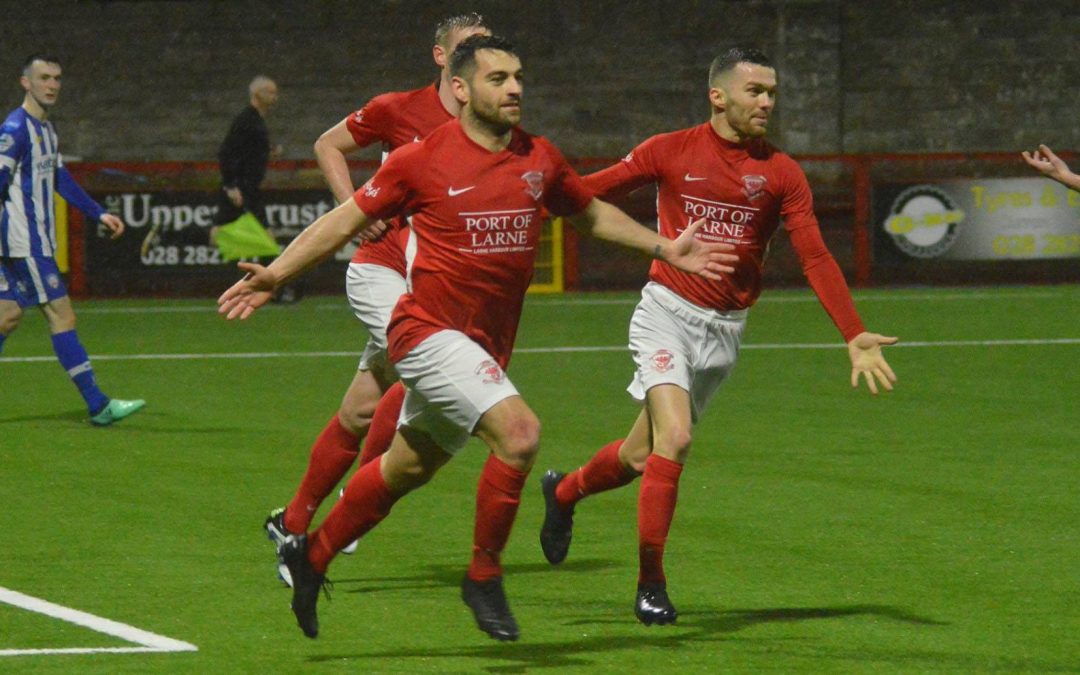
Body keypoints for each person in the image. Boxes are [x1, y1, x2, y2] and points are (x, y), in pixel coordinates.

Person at [218, 35, 738, 642]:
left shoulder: (539, 157)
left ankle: (313, 557)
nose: (514, 88)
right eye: (497, 78)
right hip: (425, 333)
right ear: (460, 89)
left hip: (483, 346)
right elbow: (345, 220)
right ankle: (483, 576)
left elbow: (588, 213)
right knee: (520, 435)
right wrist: (276, 272)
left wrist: (663, 246)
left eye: (518, 76)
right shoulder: (420, 159)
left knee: (405, 467)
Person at [536, 46, 899, 627]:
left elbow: (814, 254)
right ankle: (650, 583)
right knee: (674, 439)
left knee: (638, 455)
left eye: (772, 93)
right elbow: (588, 192)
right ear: (718, 96)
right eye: (755, 91)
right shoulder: (669, 150)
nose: (767, 103)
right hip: (666, 313)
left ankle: (562, 494)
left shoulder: (780, 172)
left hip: (724, 332)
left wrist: (853, 333)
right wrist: (523, 196)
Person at [263, 13, 490, 587]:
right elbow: (328, 144)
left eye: (485, 47)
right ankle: (351, 510)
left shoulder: (490, 129)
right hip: (380, 270)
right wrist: (354, 210)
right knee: (428, 367)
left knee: (361, 410)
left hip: (433, 285)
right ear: (442, 58)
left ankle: (292, 524)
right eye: (467, 47)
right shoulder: (398, 109)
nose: (479, 56)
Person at [0, 54, 144, 425]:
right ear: (25, 83)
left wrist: (98, 212)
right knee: (62, 314)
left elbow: (59, 179)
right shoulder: (15, 129)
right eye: (44, 78)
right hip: (24, 244)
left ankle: (98, 405)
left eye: (57, 78)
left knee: (7, 316)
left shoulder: (46, 130)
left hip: (29, 244)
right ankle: (98, 405)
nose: (52, 84)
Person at [141, 76, 285, 283]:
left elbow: (246, 151)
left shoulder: (255, 120)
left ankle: (165, 235)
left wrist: (269, 151)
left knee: (221, 238)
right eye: (270, 92)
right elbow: (226, 153)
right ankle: (269, 287)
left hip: (248, 189)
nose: (275, 96)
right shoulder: (246, 120)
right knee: (264, 239)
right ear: (256, 94)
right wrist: (231, 185)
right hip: (242, 190)